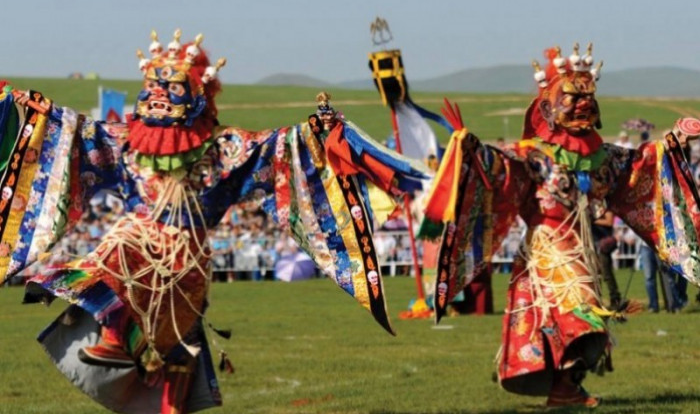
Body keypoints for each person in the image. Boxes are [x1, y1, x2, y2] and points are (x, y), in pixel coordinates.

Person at [0, 30, 428, 414]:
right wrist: (27, 109)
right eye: (154, 86)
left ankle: (125, 351)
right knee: (127, 248)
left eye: (171, 87)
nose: (160, 95)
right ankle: (117, 341)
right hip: (135, 258)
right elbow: (72, 131)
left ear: (197, 93)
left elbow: (279, 149)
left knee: (171, 350)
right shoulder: (124, 143)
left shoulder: (226, 151)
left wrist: (319, 134)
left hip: (184, 265)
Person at [420, 43, 700, 408]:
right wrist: (473, 150)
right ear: (549, 108)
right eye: (572, 97)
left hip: (579, 249)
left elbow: (637, 167)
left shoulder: (603, 157)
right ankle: (566, 385)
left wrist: (673, 141)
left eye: (588, 96)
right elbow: (500, 168)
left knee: (569, 321)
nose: (583, 103)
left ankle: (565, 388)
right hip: (548, 249)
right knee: (582, 316)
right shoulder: (534, 155)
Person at [593, 210, 622, 310]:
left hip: (602, 244)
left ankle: (615, 299)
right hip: (593, 243)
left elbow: (609, 221)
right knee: (595, 274)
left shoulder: (605, 206)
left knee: (606, 273)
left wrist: (593, 220)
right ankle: (596, 299)